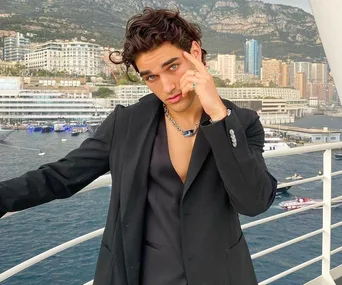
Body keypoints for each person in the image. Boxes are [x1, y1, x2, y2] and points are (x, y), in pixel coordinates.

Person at [0, 7, 277, 285]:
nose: (167, 86)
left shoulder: (242, 123)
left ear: (195, 53)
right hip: (140, 274)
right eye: (151, 77)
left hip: (219, 275)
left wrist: (218, 115)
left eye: (172, 66)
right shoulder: (126, 122)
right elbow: (62, 176)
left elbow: (253, 202)